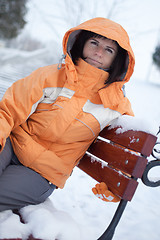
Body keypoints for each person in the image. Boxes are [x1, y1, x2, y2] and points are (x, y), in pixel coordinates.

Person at [0, 17, 135, 212]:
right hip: (12, 146)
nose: (98, 52)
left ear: (118, 58)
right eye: (94, 43)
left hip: (42, 174)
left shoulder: (116, 104)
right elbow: (9, 108)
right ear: (81, 43)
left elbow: (126, 150)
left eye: (109, 50)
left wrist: (114, 184)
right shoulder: (50, 75)